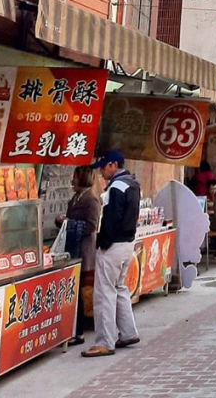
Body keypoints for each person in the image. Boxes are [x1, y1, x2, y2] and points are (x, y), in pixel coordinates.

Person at [82, 151, 140, 358]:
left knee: (104, 293)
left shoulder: (116, 187)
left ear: (114, 165)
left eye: (104, 167)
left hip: (113, 245)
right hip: (127, 243)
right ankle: (128, 332)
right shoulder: (132, 183)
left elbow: (111, 220)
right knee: (120, 288)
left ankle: (105, 342)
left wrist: (104, 244)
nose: (102, 172)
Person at [56, 166, 100, 345]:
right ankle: (71, 330)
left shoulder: (92, 200)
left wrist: (71, 223)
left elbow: (91, 226)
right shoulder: (74, 199)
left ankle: (79, 332)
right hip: (71, 250)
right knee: (71, 292)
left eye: (74, 177)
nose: (71, 181)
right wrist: (62, 222)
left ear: (82, 179)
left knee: (80, 292)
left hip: (83, 251)